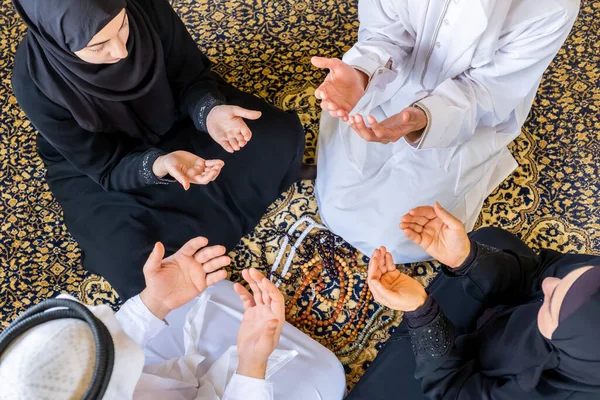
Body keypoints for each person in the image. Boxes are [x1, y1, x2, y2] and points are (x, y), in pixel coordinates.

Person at [10, 0, 306, 300]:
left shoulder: (145, 5)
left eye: (123, 26)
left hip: (175, 113)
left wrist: (209, 113)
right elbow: (106, 167)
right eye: (99, 45)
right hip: (107, 161)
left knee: (276, 136)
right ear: (57, 42)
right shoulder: (35, 82)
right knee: (134, 265)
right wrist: (160, 165)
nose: (121, 52)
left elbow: (189, 77)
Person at [312, 0, 580, 263]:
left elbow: (487, 92)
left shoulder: (554, 7)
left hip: (462, 119)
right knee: (336, 203)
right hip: (388, 85)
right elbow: (383, 30)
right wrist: (361, 74)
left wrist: (419, 119)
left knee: (394, 237)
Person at [0, 237, 346, 399]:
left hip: (161, 382)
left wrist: (154, 302)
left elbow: (99, 351)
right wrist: (251, 366)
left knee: (203, 294)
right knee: (323, 376)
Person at [346, 202, 600, 399]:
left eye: (553, 302)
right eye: (567, 279)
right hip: (503, 324)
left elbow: (455, 392)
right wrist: (467, 259)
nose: (548, 285)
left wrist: (422, 315)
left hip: (475, 378)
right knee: (490, 238)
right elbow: (537, 274)